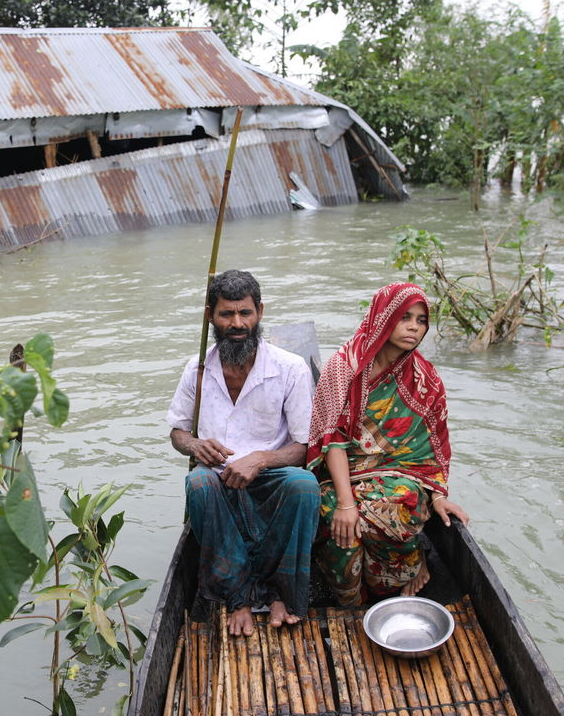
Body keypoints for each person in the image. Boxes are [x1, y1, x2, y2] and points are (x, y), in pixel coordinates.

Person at [167, 270, 320, 636]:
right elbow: (177, 432)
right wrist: (195, 444)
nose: (237, 324)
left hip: (271, 475)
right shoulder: (197, 369)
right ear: (211, 316)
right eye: (226, 314)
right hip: (219, 476)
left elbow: (303, 447)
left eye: (245, 313)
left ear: (260, 312)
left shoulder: (290, 368)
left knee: (304, 486)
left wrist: (261, 459)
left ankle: (282, 593)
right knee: (199, 484)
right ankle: (238, 597)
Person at [306, 282, 470, 607]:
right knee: (336, 524)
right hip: (339, 477)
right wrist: (345, 503)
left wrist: (437, 495)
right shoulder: (344, 366)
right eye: (404, 317)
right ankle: (354, 601)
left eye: (421, 320)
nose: (413, 326)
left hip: (397, 479)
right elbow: (332, 441)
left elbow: (432, 447)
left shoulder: (426, 379)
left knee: (404, 503)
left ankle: (401, 569)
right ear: (384, 317)